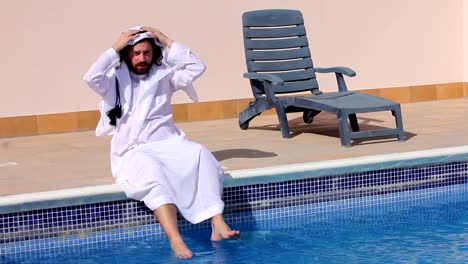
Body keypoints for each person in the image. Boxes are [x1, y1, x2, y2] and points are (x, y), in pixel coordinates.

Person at [83, 25, 239, 259]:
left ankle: (217, 220)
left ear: (154, 54)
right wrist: (115, 46)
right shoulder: (114, 81)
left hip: (169, 142)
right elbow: (90, 77)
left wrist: (165, 39)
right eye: (136, 54)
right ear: (127, 55)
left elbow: (197, 66)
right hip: (135, 149)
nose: (142, 59)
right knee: (152, 172)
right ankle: (175, 240)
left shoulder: (164, 76)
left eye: (146, 53)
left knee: (201, 154)